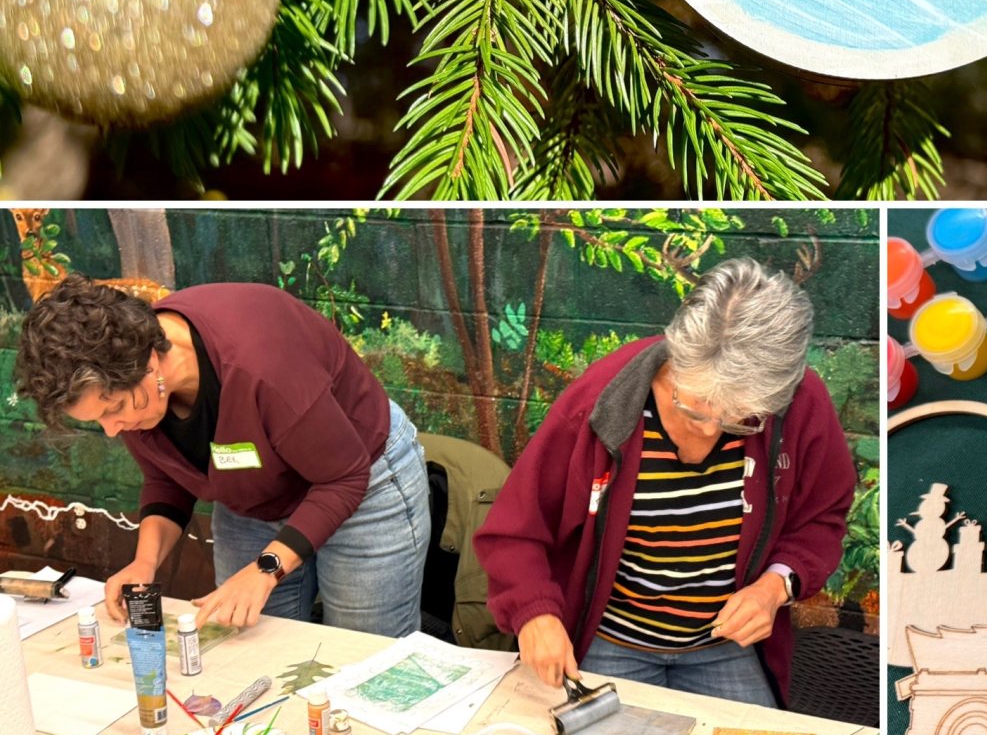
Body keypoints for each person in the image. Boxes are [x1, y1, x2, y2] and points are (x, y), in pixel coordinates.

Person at [475, 258, 856, 708]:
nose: (712, 430)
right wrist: (534, 614)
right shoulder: (601, 404)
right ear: (675, 355)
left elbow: (822, 517)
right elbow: (515, 530)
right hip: (612, 636)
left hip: (721, 646)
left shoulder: (798, 402)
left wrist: (775, 587)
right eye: (696, 406)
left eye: (741, 421)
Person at [16, 276, 429, 637]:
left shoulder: (262, 364)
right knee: (253, 652)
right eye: (98, 420)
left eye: (112, 410)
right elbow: (166, 478)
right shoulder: (132, 390)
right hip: (255, 498)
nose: (111, 429)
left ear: (144, 365)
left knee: (361, 656)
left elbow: (343, 478)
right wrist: (145, 562)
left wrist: (265, 569)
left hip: (359, 480)